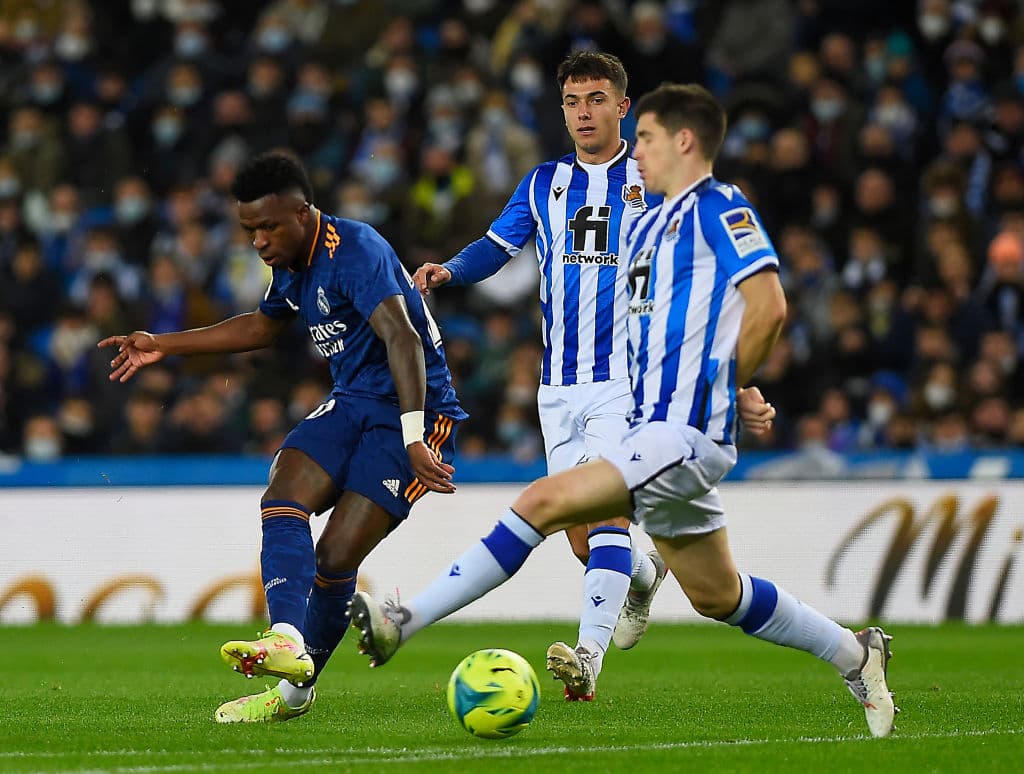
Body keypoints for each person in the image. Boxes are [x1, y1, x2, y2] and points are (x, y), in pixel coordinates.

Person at [350, 83, 898, 738]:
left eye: (646, 137)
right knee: (718, 594)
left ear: (684, 142)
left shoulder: (718, 206)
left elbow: (769, 306)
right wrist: (734, 382)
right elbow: (681, 325)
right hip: (657, 421)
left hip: (678, 427)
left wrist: (730, 384)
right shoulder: (657, 221)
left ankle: (404, 622)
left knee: (542, 504)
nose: (633, 149)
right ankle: (856, 653)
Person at [98, 151, 466, 723]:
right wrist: (163, 344)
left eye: (269, 226)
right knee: (282, 496)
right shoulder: (293, 263)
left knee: (337, 555)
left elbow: (403, 340)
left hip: (415, 409)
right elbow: (262, 326)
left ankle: (293, 695)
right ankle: (286, 638)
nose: (260, 241)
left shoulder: (357, 249)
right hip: (352, 402)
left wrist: (416, 436)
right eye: (250, 230)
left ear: (303, 213)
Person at [412, 51, 666, 701]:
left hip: (626, 382)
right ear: (562, 111)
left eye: (597, 99)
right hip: (558, 388)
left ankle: (587, 658)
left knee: (606, 517)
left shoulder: (652, 176)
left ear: (622, 107)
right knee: (584, 544)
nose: (585, 112)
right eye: (574, 102)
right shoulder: (543, 183)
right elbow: (497, 248)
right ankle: (642, 575)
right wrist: (449, 271)